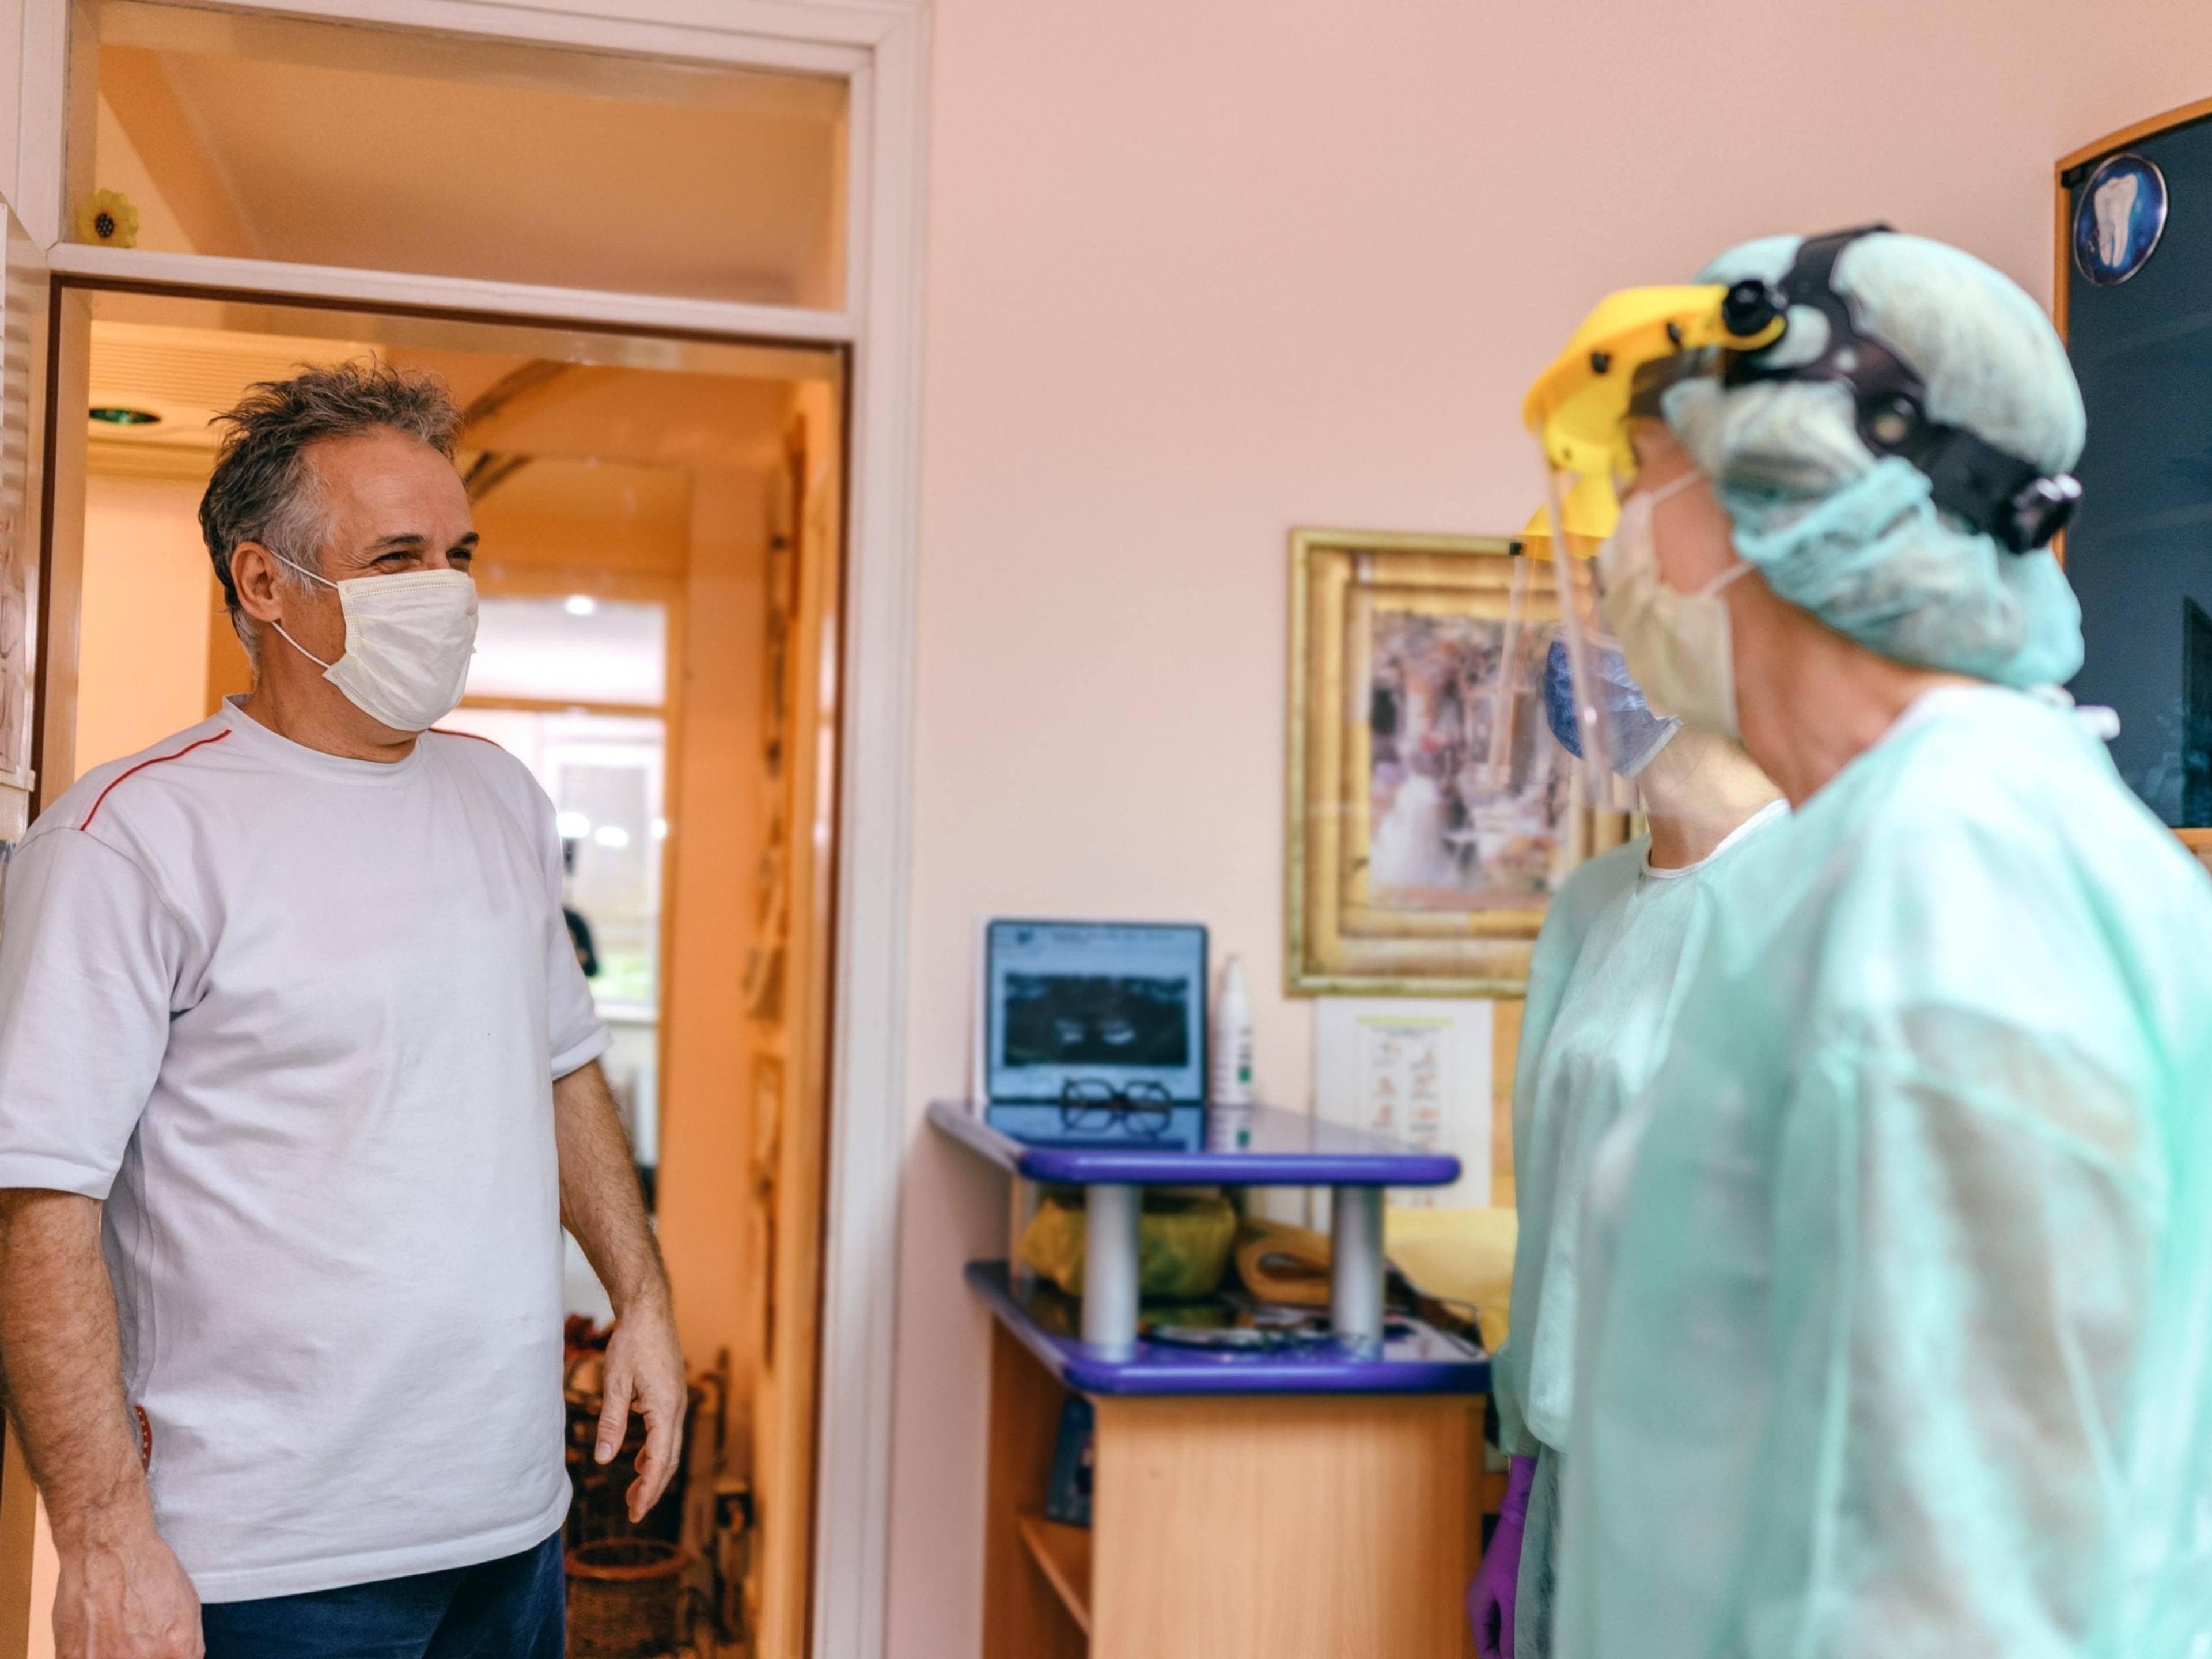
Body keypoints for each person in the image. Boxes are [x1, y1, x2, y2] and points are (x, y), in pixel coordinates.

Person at [1538, 229, 2212, 1657]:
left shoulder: (1958, 876)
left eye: (1643, 481)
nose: (1609, 552)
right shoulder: (1877, 853)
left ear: (1771, 495)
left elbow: (1965, 1576)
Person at [0, 363, 687, 1659]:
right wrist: (99, 1535)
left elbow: (564, 1065)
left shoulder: (502, 802)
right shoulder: (126, 839)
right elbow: (41, 1202)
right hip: (265, 1562)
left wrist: (641, 1296)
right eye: (398, 558)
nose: (450, 590)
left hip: (509, 1527)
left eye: (459, 551)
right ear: (265, 585)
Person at [1469, 638, 1785, 1659]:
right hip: (1573, 1461)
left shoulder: (1811, 895)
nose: (1580, 649)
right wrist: (1520, 1490)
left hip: (1726, 1488)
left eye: (1617, 602)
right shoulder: (1595, 903)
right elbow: (1549, 1194)